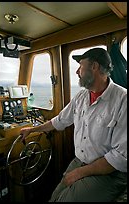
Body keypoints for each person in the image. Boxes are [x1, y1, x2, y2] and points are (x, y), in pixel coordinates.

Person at [20, 48, 127, 202]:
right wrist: (32, 129)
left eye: (80, 66)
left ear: (94, 66)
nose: (77, 71)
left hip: (110, 172)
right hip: (79, 161)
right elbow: (60, 121)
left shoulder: (123, 100)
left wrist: (80, 173)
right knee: (55, 197)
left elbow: (119, 157)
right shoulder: (81, 96)